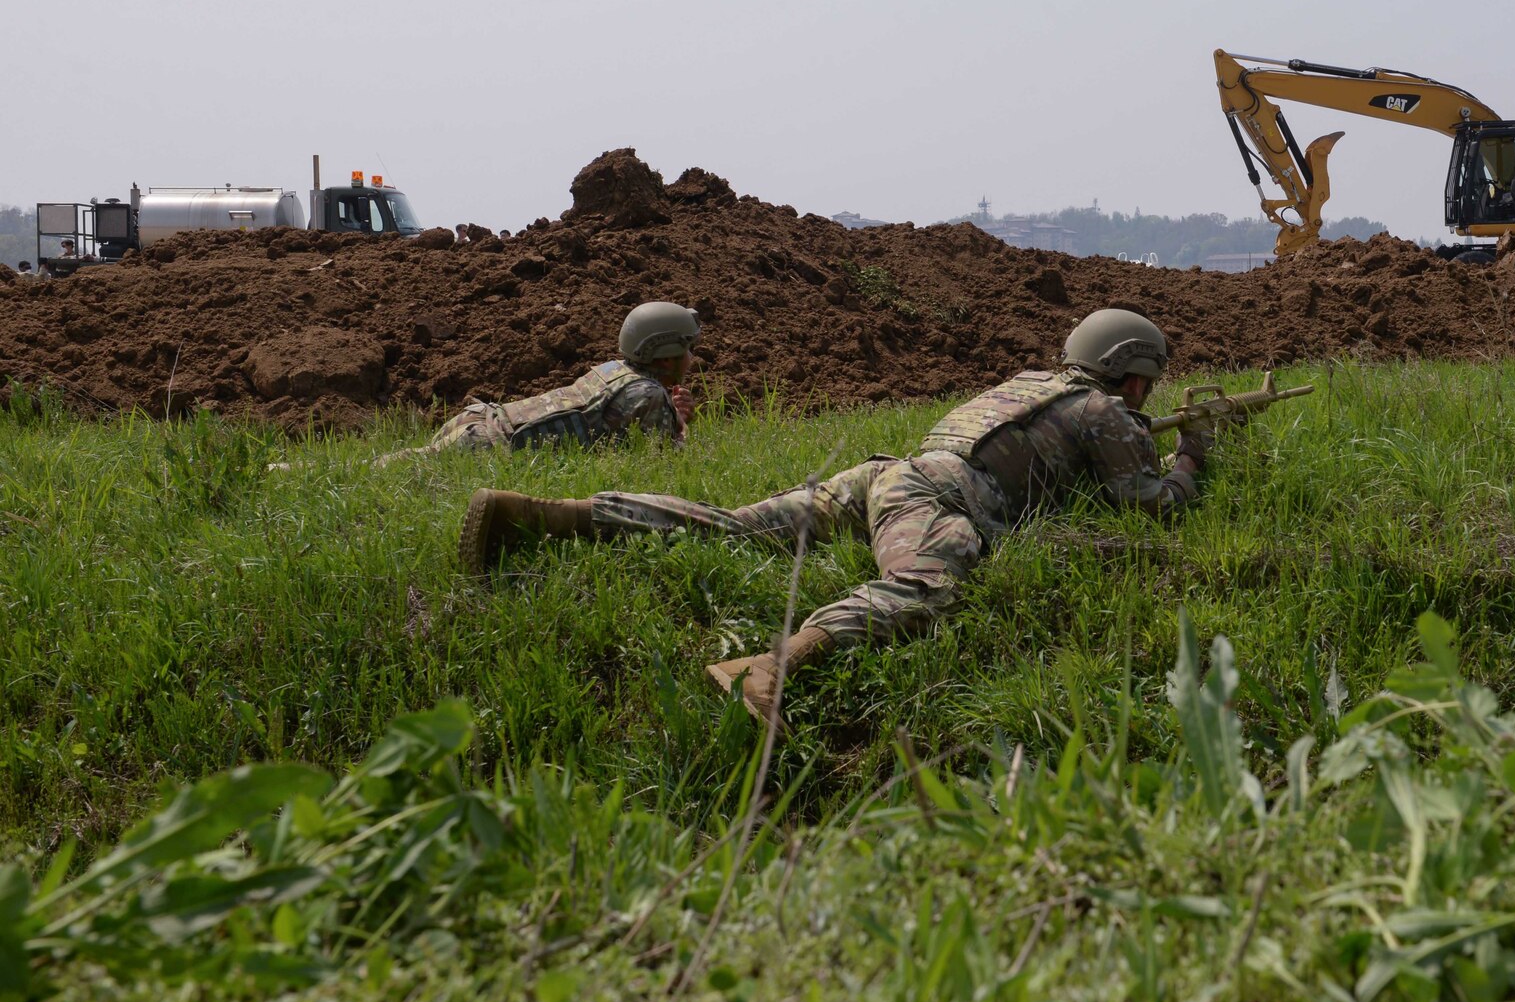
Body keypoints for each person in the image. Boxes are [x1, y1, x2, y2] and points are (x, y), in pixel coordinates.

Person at [457, 308, 1217, 726]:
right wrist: (1193, 454)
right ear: (1132, 372)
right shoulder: (1103, 410)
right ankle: (769, 665)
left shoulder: (1029, 383)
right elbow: (1150, 504)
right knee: (928, 584)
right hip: (938, 499)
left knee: (736, 525)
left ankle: (543, 514)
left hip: (884, 474)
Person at [382, 301, 700, 463]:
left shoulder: (613, 370)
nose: (691, 357)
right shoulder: (648, 394)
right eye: (688, 348)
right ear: (666, 357)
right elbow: (663, 465)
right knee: (390, 472)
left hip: (480, 420)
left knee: (398, 465)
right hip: (486, 446)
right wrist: (681, 424)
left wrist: (671, 416)